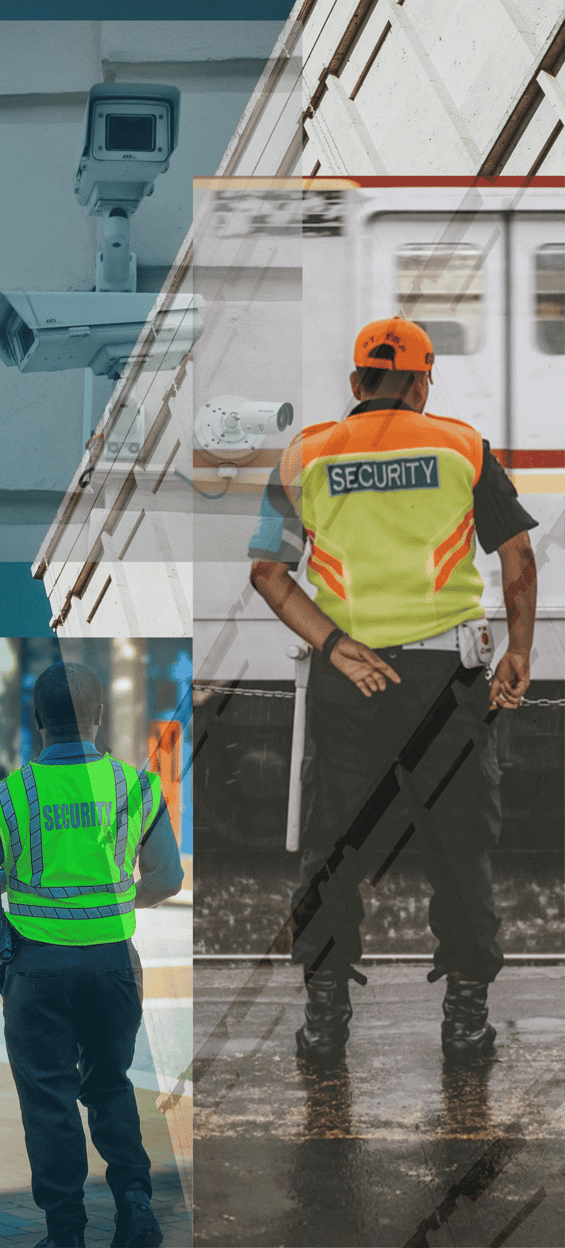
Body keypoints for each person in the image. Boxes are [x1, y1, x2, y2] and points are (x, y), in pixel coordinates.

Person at [248, 316, 535, 1063]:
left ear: (356, 384)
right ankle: (466, 1022)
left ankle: (325, 1019)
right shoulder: (461, 446)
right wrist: (520, 651)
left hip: (352, 680)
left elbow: (269, 575)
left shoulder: (306, 454)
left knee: (332, 846)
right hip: (447, 680)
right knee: (458, 844)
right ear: (418, 382)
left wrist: (337, 646)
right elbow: (517, 558)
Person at [0, 661, 183, 1248]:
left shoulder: (8, 797)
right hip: (112, 967)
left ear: (37, 722)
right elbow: (167, 877)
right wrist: (118, 900)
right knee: (109, 1086)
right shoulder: (135, 787)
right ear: (99, 717)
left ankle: (65, 1234)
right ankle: (134, 1204)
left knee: (48, 1103)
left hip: (37, 977)